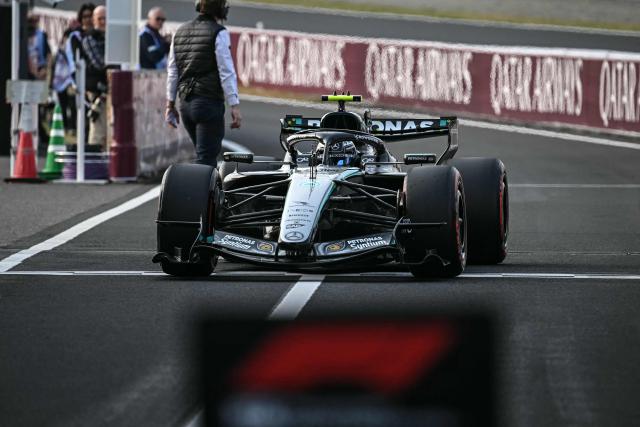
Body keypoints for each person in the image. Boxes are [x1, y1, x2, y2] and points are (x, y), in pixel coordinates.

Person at [165, 0, 242, 166]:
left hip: (185, 105)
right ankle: (200, 191)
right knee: (206, 159)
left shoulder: (179, 31)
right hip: (208, 103)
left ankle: (204, 189)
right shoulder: (219, 32)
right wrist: (234, 105)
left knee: (203, 155)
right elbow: (226, 72)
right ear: (219, 8)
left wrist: (170, 104)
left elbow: (172, 71)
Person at [81, 5, 107, 148]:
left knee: (110, 129)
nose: (103, 21)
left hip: (111, 88)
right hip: (97, 89)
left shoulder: (111, 36)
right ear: (94, 20)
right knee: (98, 128)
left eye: (105, 18)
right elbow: (99, 63)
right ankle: (94, 163)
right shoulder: (90, 38)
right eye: (100, 18)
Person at [66, 3, 96, 78]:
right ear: (81, 19)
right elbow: (77, 59)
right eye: (85, 17)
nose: (88, 19)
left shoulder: (99, 34)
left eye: (90, 16)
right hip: (84, 76)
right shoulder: (76, 36)